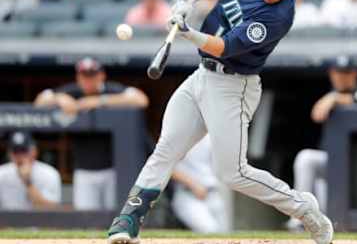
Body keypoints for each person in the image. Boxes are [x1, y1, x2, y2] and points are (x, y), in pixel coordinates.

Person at [107, 0, 333, 244]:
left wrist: (188, 33)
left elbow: (224, 47)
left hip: (234, 87)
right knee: (166, 149)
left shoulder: (279, 15)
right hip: (201, 76)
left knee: (232, 173)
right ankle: (128, 220)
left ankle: (303, 208)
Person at [34, 57, 149, 211]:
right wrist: (59, 98)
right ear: (78, 77)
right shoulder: (72, 92)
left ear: (101, 76)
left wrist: (97, 101)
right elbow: (39, 102)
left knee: (116, 215)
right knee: (86, 219)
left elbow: (141, 100)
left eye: (92, 75)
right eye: (85, 76)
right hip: (84, 170)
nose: (88, 80)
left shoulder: (110, 89)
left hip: (112, 169)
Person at [286, 56, 357, 231]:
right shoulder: (331, 95)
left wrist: (335, 99)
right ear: (332, 74)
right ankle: (298, 218)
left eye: (346, 73)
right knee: (306, 159)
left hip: (355, 163)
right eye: (338, 73)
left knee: (334, 219)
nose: (342, 77)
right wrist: (333, 97)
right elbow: (317, 115)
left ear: (354, 74)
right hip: (331, 162)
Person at [171, 135, 228, 233]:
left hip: (213, 193)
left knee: (224, 235)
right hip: (188, 194)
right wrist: (192, 183)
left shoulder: (211, 135)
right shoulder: (176, 134)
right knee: (210, 231)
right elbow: (164, 166)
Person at [0, 131, 61, 210]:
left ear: (34, 151)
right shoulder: (2, 173)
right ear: (9, 153)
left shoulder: (49, 173)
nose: (20, 155)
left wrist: (28, 183)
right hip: (7, 221)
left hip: (40, 221)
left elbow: (52, 209)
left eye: (24, 151)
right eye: (16, 151)